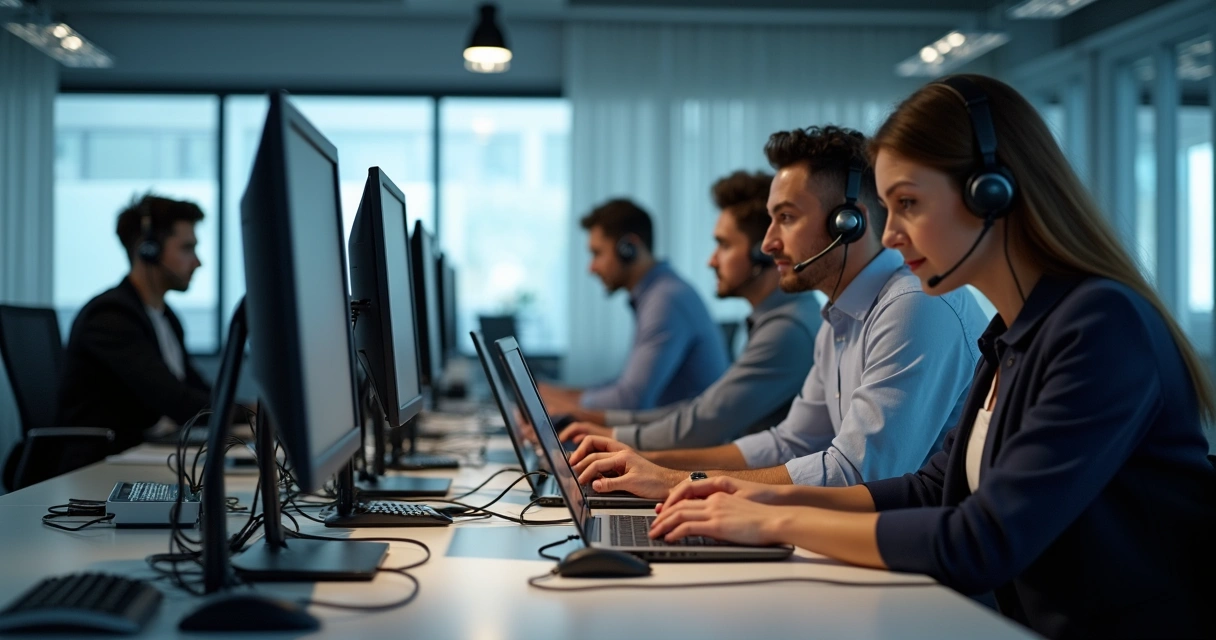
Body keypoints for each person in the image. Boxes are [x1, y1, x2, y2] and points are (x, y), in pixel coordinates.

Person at [649, 75, 1216, 639]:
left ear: (991, 193)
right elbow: (929, 489)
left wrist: (772, 520)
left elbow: (980, 542)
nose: (890, 234)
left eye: (908, 204)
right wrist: (758, 493)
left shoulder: (1100, 326)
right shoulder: (1011, 335)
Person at [569, 125, 989, 499]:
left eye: (786, 218)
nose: (768, 244)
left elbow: (859, 474)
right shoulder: (839, 318)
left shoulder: (911, 307)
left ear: (849, 224)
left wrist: (681, 482)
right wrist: (655, 466)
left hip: (934, 576)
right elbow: (790, 442)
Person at [558, 170, 821, 450]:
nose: (711, 261)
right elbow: (697, 411)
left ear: (763, 252)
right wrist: (598, 421)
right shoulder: (772, 320)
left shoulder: (787, 329)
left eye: (723, 245)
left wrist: (610, 436)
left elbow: (705, 423)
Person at [539, 199, 728, 413]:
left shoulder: (666, 301)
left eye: (597, 253)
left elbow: (630, 400)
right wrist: (560, 395)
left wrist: (559, 406)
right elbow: (625, 386)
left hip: (683, 442)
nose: (591, 268)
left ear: (628, 248)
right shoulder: (659, 293)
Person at [58, 194, 212, 452]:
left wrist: (245, 411)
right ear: (148, 250)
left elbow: (195, 389)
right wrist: (246, 413)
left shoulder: (165, 317)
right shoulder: (110, 317)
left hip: (142, 454)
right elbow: (175, 400)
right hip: (99, 464)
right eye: (187, 248)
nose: (198, 262)